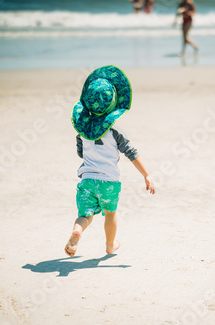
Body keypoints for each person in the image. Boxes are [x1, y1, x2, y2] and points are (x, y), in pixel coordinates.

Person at [66, 65, 156, 257]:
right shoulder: (116, 132)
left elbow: (81, 154)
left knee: (85, 215)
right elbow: (132, 154)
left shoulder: (83, 132)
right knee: (110, 213)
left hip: (87, 180)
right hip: (109, 183)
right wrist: (146, 175)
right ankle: (109, 245)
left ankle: (77, 231)